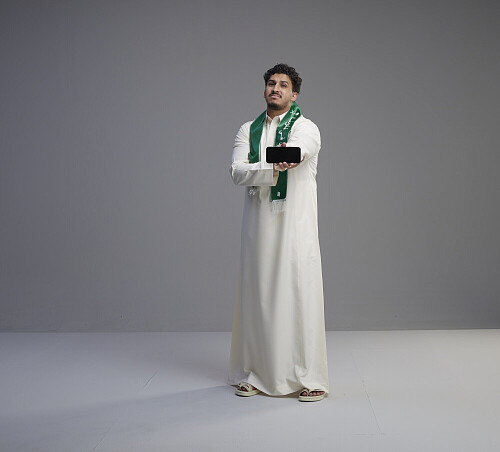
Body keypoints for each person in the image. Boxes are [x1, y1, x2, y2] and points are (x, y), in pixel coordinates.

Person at [227, 63, 329, 402]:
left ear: (294, 94)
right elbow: (236, 172)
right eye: (271, 83)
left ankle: (310, 377)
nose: (276, 88)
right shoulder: (248, 129)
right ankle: (255, 374)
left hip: (295, 227)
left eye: (283, 85)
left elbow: (295, 153)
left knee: (300, 295)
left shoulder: (306, 127)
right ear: (264, 89)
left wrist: (259, 166)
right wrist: (271, 164)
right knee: (259, 297)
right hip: (258, 229)